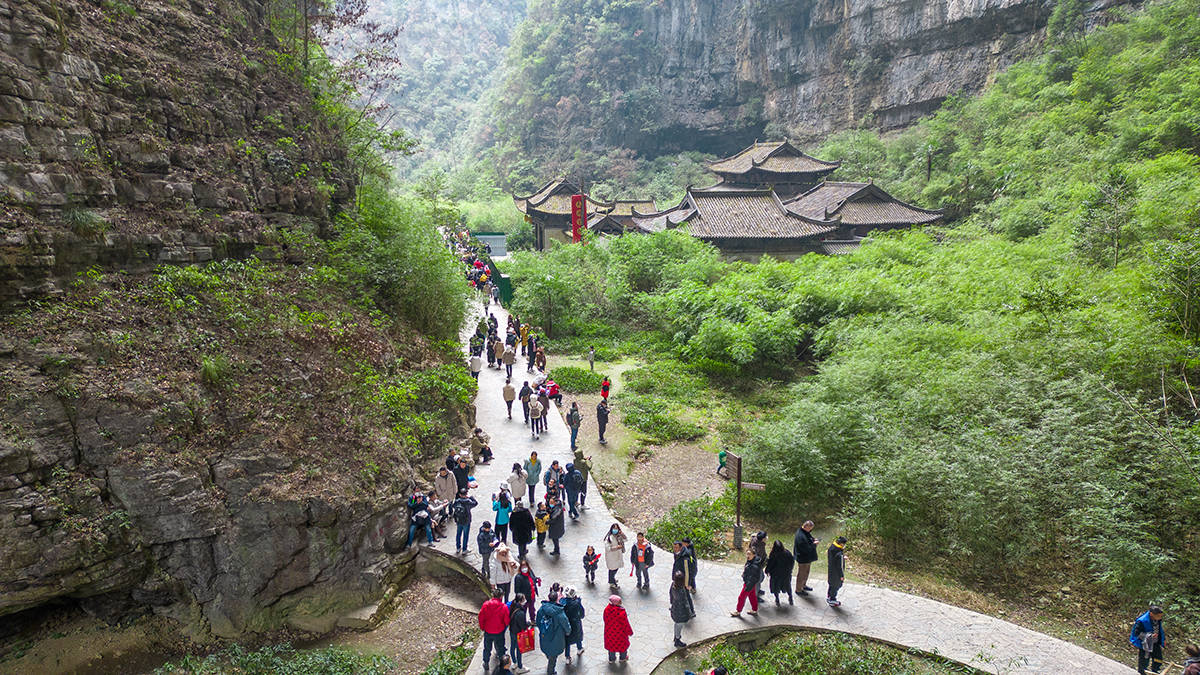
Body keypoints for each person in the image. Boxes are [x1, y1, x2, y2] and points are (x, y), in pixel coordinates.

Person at [536, 590, 571, 675]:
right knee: (553, 657)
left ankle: (549, 661)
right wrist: (568, 632)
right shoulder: (559, 612)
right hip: (556, 638)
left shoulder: (541, 609)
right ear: (556, 599)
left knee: (549, 653)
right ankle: (550, 671)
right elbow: (566, 625)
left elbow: (538, 621)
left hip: (545, 636)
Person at [479, 588, 510, 672]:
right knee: (500, 648)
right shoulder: (503, 607)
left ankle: (486, 662)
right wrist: (504, 626)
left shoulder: (486, 605)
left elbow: (481, 617)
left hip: (488, 631)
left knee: (487, 648)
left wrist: (482, 627)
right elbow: (507, 621)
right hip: (499, 632)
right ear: (501, 596)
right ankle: (502, 663)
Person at [1130, 606, 1166, 674]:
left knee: (1158, 658)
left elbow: (1160, 630)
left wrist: (1163, 639)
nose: (1160, 618)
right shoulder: (1142, 621)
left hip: (1155, 642)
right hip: (1145, 643)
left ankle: (1155, 670)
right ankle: (1142, 672)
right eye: (1158, 616)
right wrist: (1149, 636)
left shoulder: (1158, 619)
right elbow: (1137, 633)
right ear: (1152, 614)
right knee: (1144, 659)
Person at [730, 547, 762, 617]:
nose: (747, 556)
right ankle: (754, 610)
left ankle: (738, 611)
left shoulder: (754, 566)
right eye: (747, 554)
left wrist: (747, 586)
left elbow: (753, 578)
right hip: (750, 584)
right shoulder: (751, 561)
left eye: (749, 554)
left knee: (741, 597)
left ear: (754, 555)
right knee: (752, 596)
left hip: (749, 584)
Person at [764, 540, 795, 606]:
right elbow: (792, 561)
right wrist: (790, 570)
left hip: (776, 575)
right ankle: (790, 597)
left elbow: (770, 564)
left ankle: (777, 599)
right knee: (787, 586)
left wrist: (767, 571)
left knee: (776, 587)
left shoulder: (773, 554)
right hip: (786, 574)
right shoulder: (787, 552)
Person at [793, 520, 819, 596]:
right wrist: (814, 545)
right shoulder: (800, 536)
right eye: (810, 528)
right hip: (802, 558)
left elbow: (809, 537)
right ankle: (798, 589)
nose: (811, 530)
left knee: (806, 572)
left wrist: (813, 540)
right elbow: (805, 548)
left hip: (807, 558)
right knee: (801, 574)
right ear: (806, 527)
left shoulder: (804, 532)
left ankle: (803, 585)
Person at [603, 594, 632, 663]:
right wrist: (629, 632)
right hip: (621, 634)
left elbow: (605, 619)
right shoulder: (621, 612)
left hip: (609, 632)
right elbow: (625, 624)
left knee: (611, 646)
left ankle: (611, 659)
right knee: (622, 646)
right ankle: (623, 658)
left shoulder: (606, 610)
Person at [670, 570, 693, 648]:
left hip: (675, 609)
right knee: (679, 625)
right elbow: (685, 604)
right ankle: (677, 639)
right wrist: (689, 614)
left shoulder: (673, 586)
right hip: (681, 613)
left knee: (677, 624)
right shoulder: (680, 592)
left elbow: (671, 596)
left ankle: (676, 636)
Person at [561, 586, 585, 663]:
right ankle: (579, 648)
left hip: (565, 624)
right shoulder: (577, 603)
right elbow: (582, 614)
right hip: (575, 623)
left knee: (567, 641)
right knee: (578, 636)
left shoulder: (562, 602)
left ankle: (567, 657)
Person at [507, 594, 529, 674]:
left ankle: (514, 662)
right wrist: (528, 624)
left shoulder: (512, 607)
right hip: (518, 633)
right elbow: (523, 625)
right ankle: (520, 667)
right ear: (520, 601)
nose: (525, 601)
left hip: (512, 630)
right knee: (519, 650)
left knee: (512, 647)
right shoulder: (520, 612)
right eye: (524, 599)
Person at [451, 488, 478, 554]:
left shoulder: (457, 501)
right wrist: (471, 497)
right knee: (465, 535)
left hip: (459, 520)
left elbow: (453, 506)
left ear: (460, 494)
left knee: (458, 534)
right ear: (466, 494)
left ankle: (458, 548)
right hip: (466, 520)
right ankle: (464, 549)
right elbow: (475, 503)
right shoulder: (468, 502)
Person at [827, 536, 847, 607]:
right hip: (836, 574)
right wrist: (841, 576)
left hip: (831, 570)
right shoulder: (839, 554)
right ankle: (832, 599)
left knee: (831, 584)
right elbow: (840, 567)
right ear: (842, 544)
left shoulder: (832, 547)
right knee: (836, 586)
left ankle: (829, 596)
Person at [605, 523, 627, 588]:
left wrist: (622, 534)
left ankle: (611, 579)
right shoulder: (609, 538)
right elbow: (608, 548)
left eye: (616, 528)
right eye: (614, 528)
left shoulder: (618, 536)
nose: (615, 530)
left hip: (617, 556)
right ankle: (612, 582)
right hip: (611, 557)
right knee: (612, 569)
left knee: (615, 568)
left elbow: (625, 540)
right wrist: (617, 547)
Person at [750, 531, 767, 597]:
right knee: (757, 580)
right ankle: (755, 596)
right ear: (763, 539)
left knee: (761, 577)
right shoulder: (755, 546)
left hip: (759, 565)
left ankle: (757, 590)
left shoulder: (760, 543)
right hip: (756, 567)